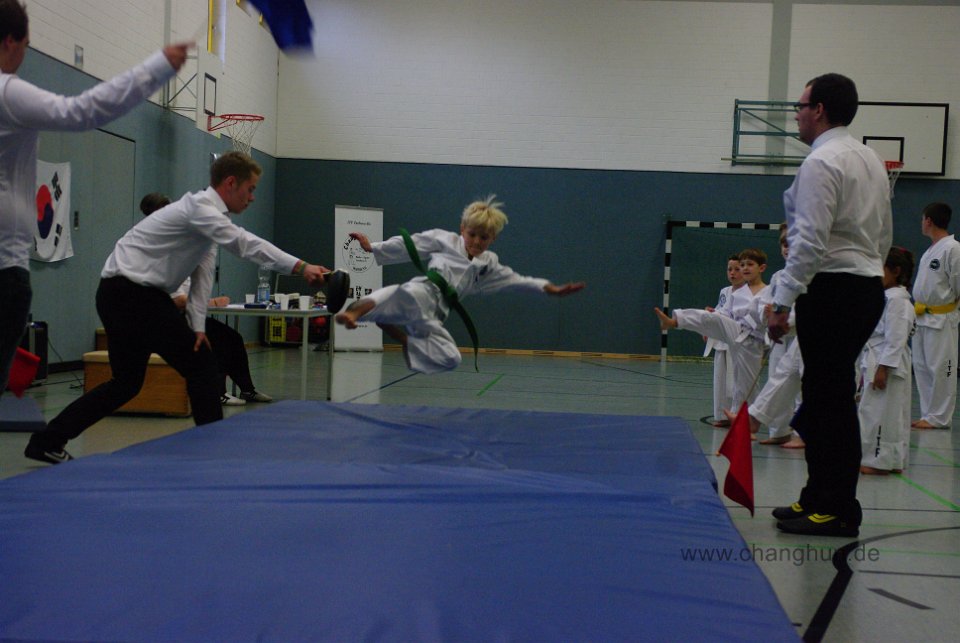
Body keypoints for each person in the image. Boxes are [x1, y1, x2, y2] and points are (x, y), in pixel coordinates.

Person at [24, 152, 328, 464]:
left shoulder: (210, 224)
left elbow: (202, 277)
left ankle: (46, 442)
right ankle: (210, 456)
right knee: (203, 368)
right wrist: (301, 266)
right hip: (133, 295)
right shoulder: (200, 209)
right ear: (230, 183)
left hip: (118, 295)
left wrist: (197, 327)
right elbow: (246, 244)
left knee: (126, 384)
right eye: (250, 189)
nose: (252, 197)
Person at [0, 0, 189, 398]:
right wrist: (156, 68)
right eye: (27, 46)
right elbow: (82, 111)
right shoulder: (8, 92)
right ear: (9, 42)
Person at [767, 73, 892, 537]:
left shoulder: (822, 162)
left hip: (833, 287)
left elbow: (809, 242)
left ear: (818, 110)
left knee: (831, 400)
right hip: (862, 284)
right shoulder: (869, 158)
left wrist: (782, 299)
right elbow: (884, 234)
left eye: (800, 107)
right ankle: (818, 496)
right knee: (823, 395)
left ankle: (837, 508)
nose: (796, 116)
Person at [335, 196, 586, 374]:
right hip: (425, 291)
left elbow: (516, 281)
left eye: (483, 237)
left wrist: (549, 288)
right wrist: (372, 247)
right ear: (462, 229)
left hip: (437, 314)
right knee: (396, 295)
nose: (476, 242)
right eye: (472, 234)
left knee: (451, 358)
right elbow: (410, 243)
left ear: (493, 238)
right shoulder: (446, 240)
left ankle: (401, 337)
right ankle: (353, 313)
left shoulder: (489, 264)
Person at [140, 192, 273, 406]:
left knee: (232, 338)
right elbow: (174, 300)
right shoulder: (153, 249)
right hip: (170, 319)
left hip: (188, 315)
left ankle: (247, 389)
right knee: (215, 342)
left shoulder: (178, 245)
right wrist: (209, 303)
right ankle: (217, 392)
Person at [655, 248, 769, 412]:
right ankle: (675, 321)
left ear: (762, 268)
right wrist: (714, 316)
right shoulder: (737, 294)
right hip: (737, 331)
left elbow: (769, 318)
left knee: (745, 382)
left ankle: (742, 415)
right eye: (743, 265)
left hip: (755, 339)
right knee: (711, 317)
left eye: (749, 264)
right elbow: (725, 314)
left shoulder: (768, 291)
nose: (745, 268)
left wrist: (769, 314)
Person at [859, 247, 916, 475]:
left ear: (896, 271)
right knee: (880, 412)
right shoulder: (887, 297)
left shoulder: (898, 301)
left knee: (881, 414)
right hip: (877, 357)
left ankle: (879, 461)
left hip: (887, 363)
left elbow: (896, 340)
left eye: (880, 268)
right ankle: (890, 459)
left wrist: (883, 368)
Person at [910, 202, 960, 430]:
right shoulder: (931, 250)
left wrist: (949, 309)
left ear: (928, 220)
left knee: (943, 368)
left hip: (942, 318)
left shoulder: (953, 248)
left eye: (923, 219)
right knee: (921, 367)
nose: (921, 223)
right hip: (922, 316)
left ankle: (940, 417)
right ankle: (928, 414)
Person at [704, 254, 744, 427]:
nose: (732, 273)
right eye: (729, 269)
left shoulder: (748, 293)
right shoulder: (724, 291)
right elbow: (719, 311)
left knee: (736, 383)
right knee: (720, 380)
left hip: (738, 342)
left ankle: (738, 415)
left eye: (737, 269)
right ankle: (721, 415)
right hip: (721, 342)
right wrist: (709, 322)